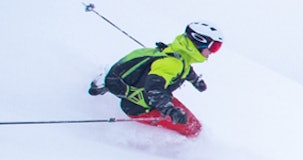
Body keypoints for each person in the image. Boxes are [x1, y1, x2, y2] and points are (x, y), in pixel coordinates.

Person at [89, 21, 223, 138]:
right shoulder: (171, 63)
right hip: (141, 108)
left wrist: (195, 81)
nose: (213, 52)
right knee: (192, 130)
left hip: (157, 100)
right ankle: (174, 157)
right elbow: (153, 88)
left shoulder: (178, 54)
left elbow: (185, 69)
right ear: (198, 41)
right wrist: (170, 110)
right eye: (214, 47)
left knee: (194, 127)